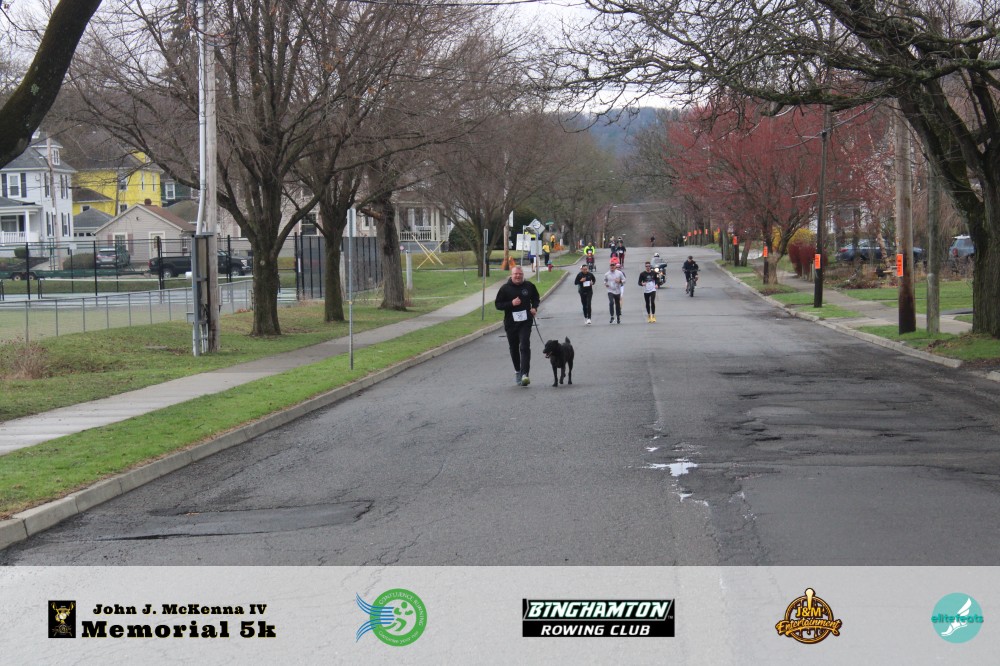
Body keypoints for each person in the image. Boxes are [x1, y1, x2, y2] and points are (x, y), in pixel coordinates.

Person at [495, 265, 540, 386]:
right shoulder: (505, 288)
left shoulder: (529, 286)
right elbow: (498, 305)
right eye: (516, 274)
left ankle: (525, 374)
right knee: (514, 348)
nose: (518, 276)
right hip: (511, 323)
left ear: (523, 275)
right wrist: (511, 303)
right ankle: (518, 371)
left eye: (520, 274)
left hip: (525, 322)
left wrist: (534, 307)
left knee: (524, 346)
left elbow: (536, 298)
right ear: (512, 275)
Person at [604, 259, 625, 324]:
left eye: (613, 266)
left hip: (617, 290)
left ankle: (618, 317)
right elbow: (605, 280)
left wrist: (620, 281)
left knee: (617, 304)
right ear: (609, 266)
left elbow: (624, 280)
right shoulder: (607, 274)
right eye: (611, 266)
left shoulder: (619, 273)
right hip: (610, 290)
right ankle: (612, 316)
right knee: (611, 302)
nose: (612, 267)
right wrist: (605, 284)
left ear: (615, 266)